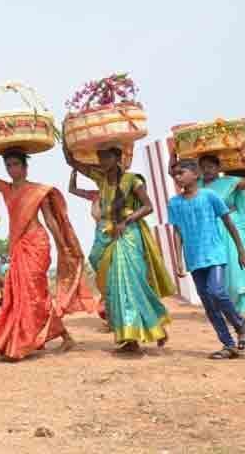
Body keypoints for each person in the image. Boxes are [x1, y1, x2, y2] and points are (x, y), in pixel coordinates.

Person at [0, 145, 95, 361]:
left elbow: (50, 220)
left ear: (25, 166)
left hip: (37, 244)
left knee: (34, 291)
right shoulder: (7, 189)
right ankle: (46, 337)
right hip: (19, 246)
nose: (12, 169)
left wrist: (63, 246)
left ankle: (29, 340)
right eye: (8, 165)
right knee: (22, 294)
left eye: (16, 165)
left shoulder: (37, 191)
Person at [64, 144, 175, 353]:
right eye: (99, 158)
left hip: (127, 234)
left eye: (106, 157)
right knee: (114, 286)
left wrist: (127, 220)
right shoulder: (101, 179)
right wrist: (65, 135)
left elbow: (148, 206)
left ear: (117, 158)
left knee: (129, 283)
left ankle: (138, 335)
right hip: (105, 234)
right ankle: (132, 335)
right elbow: (71, 161)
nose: (102, 162)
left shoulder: (133, 180)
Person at [167, 159, 245, 358]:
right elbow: (177, 232)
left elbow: (228, 222)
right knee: (208, 303)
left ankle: (242, 326)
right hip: (194, 258)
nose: (177, 177)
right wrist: (179, 261)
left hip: (215, 253)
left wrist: (241, 250)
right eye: (175, 174)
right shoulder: (174, 202)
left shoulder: (210, 195)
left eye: (181, 173)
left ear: (195, 174)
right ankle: (228, 345)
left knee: (216, 291)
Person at [196, 153, 245, 314]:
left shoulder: (229, 182)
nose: (207, 170)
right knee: (217, 269)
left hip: (232, 229)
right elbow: (175, 174)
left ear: (218, 168)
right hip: (209, 233)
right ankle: (225, 307)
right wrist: (174, 155)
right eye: (204, 167)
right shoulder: (196, 186)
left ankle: (239, 307)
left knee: (235, 266)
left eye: (211, 167)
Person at [69, 169, 111, 330]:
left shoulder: (116, 194)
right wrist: (74, 172)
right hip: (99, 235)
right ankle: (109, 312)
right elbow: (72, 190)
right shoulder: (95, 195)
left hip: (113, 235)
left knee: (112, 272)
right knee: (96, 262)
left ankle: (114, 316)